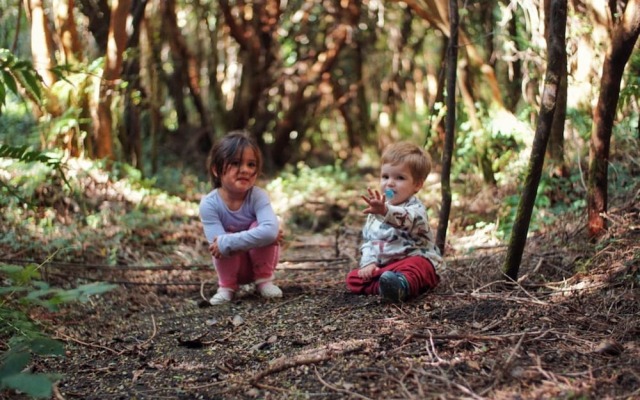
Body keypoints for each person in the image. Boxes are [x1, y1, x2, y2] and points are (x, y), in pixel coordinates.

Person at [346, 141, 443, 303]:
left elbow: (407, 219)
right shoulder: (376, 212)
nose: (389, 183)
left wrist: (385, 211)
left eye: (400, 178)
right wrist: (368, 264)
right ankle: (386, 287)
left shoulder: (416, 208)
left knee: (419, 265)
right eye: (385, 177)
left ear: (417, 184)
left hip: (412, 261)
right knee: (353, 278)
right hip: (385, 268)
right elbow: (369, 242)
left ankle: (402, 285)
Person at [199, 130, 283, 305]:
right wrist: (225, 243)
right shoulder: (209, 204)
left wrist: (227, 242)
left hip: (260, 265)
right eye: (236, 163)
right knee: (224, 240)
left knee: (256, 225)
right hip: (231, 269)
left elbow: (270, 231)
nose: (245, 170)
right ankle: (227, 288)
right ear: (216, 169)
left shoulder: (258, 196)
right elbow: (216, 246)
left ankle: (264, 282)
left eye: (251, 164)